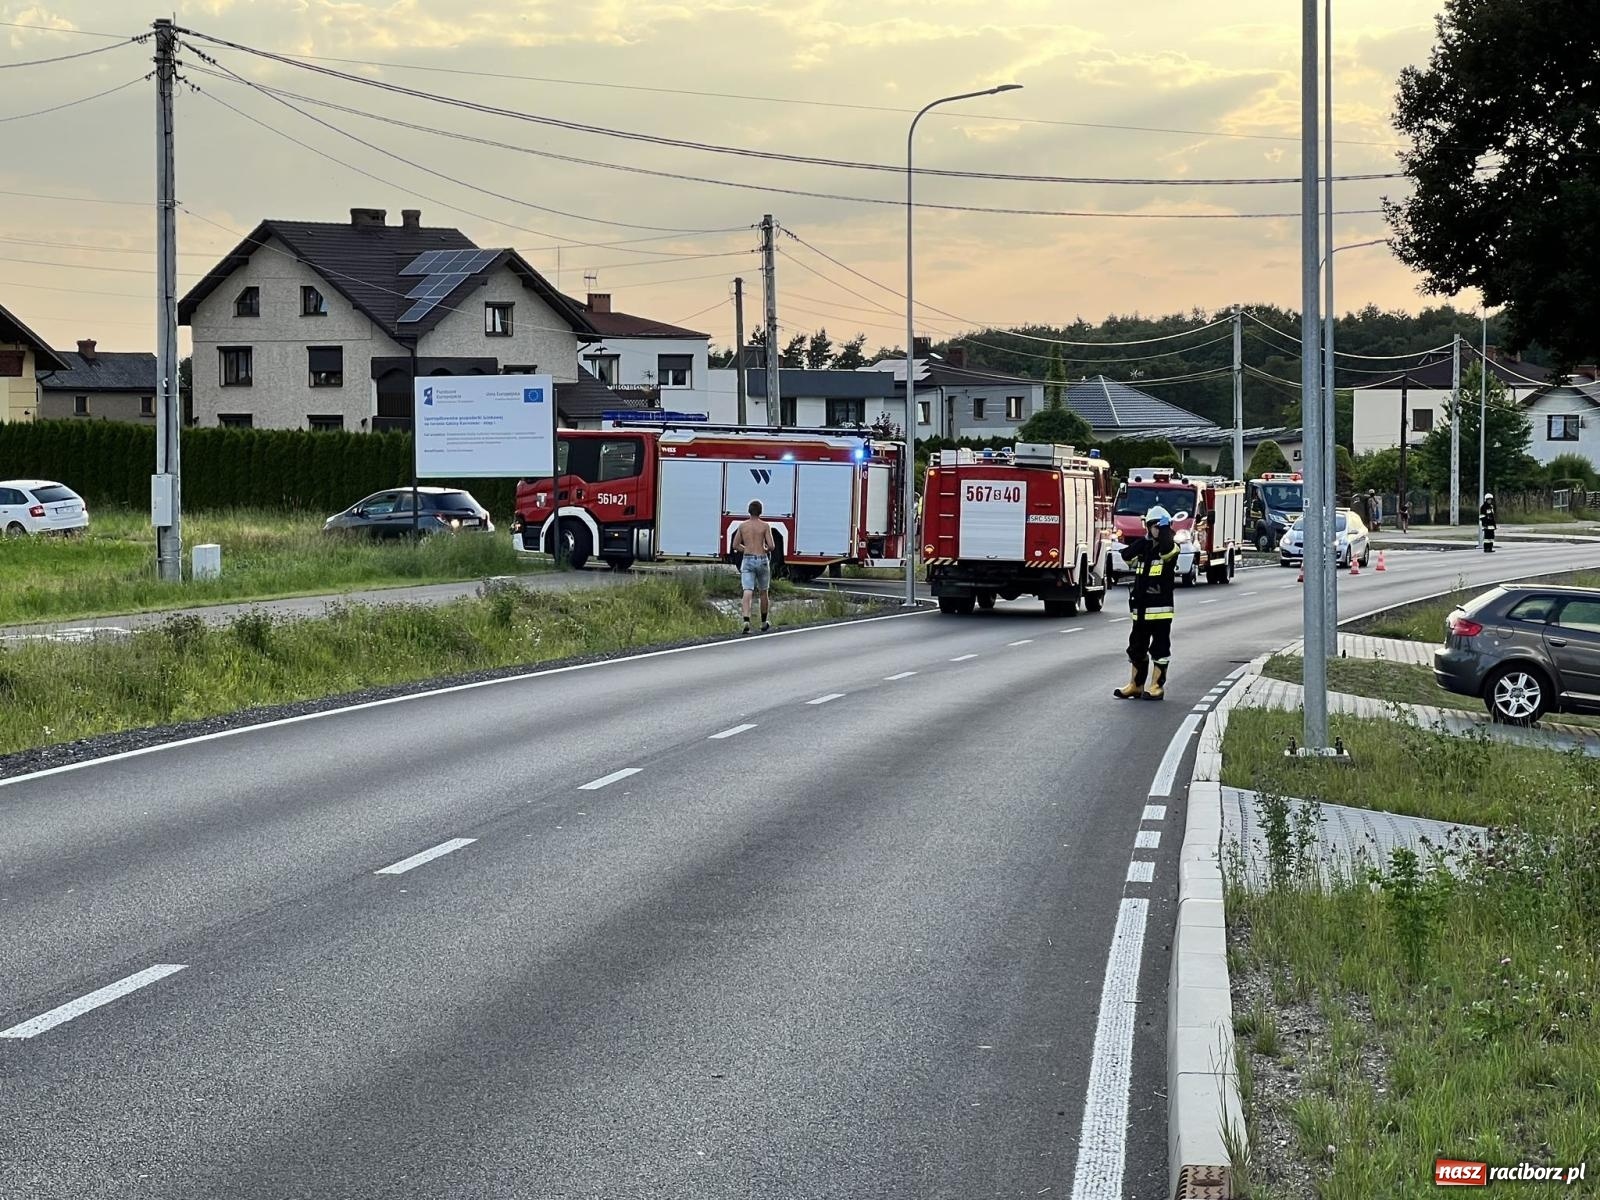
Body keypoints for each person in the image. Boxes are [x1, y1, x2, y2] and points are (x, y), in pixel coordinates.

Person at [1114, 504, 1180, 701]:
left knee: (1159, 650)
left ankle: (1156, 686)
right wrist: (1144, 541)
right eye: (1152, 527)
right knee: (1136, 647)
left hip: (1160, 611)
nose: (1154, 531)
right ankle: (1136, 685)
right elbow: (1126, 556)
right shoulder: (1145, 548)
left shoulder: (1170, 547)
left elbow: (1167, 551)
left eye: (1157, 527)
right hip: (1141, 611)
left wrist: (1165, 531)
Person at [732, 499, 775, 634]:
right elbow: (772, 546)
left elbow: (735, 545)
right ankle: (763, 622)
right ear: (760, 511)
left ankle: (746, 620)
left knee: (747, 590)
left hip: (748, 559)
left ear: (749, 511)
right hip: (762, 559)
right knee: (763, 591)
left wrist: (746, 549)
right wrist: (765, 549)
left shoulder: (743, 526)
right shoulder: (765, 526)